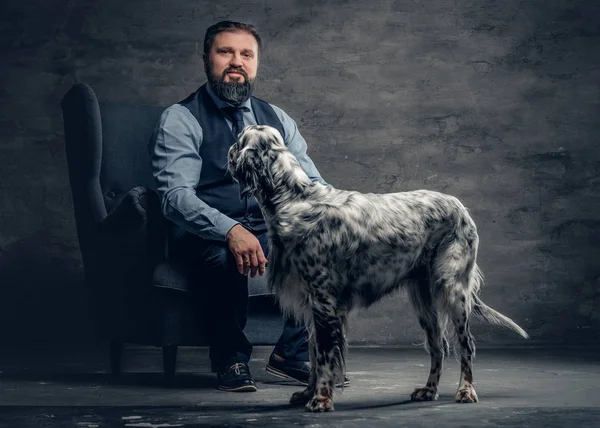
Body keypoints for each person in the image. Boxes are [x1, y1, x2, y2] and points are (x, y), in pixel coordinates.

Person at [149, 20, 349, 392]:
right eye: (225, 52)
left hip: (268, 229)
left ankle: (290, 355)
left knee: (324, 247)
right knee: (226, 257)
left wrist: (341, 216)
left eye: (246, 54)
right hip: (203, 233)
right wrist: (230, 230)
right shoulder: (181, 119)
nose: (236, 61)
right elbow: (175, 198)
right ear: (207, 58)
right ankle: (230, 360)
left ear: (256, 63)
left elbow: (313, 183)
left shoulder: (278, 119)